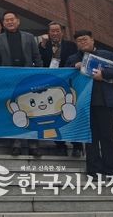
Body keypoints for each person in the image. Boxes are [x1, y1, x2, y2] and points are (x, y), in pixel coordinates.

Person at [66, 30, 113, 177]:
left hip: (105, 102)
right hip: (84, 104)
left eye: (85, 39)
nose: (82, 42)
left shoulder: (107, 55)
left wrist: (104, 74)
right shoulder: (73, 58)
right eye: (79, 41)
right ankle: (93, 171)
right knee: (89, 138)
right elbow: (65, 76)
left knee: (107, 137)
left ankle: (111, 171)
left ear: (92, 40)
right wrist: (74, 66)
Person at [0, 11, 43, 156]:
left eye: (12, 19)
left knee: (31, 110)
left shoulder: (29, 37)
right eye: (6, 20)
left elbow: (37, 58)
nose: (9, 22)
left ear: (18, 21)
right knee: (12, 111)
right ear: (3, 23)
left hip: (28, 79)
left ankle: (33, 144)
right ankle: (16, 142)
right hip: (9, 81)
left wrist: (39, 76)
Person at [39, 21, 82, 157]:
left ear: (62, 32)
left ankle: (77, 145)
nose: (55, 33)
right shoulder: (43, 45)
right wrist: (42, 46)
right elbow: (39, 62)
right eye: (52, 31)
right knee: (54, 115)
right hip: (50, 87)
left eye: (57, 31)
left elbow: (75, 61)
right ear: (48, 32)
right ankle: (60, 145)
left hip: (68, 85)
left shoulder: (71, 46)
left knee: (71, 114)